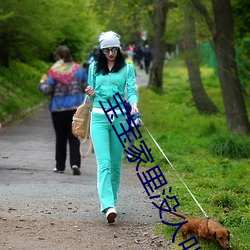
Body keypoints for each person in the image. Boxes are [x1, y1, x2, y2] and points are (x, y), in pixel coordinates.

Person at [85, 31, 138, 223]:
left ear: (119, 48)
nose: (110, 53)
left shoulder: (127, 68)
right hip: (99, 118)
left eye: (114, 49)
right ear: (101, 50)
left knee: (116, 164)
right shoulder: (93, 68)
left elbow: (131, 90)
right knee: (104, 162)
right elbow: (91, 97)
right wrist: (90, 92)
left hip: (120, 119)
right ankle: (107, 205)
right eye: (106, 50)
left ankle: (112, 201)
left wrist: (133, 104)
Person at [39, 45, 88, 175]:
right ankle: (75, 163)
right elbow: (86, 87)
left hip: (58, 109)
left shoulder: (54, 71)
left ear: (58, 57)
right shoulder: (79, 70)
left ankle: (60, 166)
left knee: (60, 138)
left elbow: (47, 90)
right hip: (75, 109)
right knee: (74, 137)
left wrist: (42, 83)